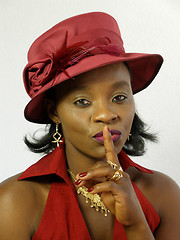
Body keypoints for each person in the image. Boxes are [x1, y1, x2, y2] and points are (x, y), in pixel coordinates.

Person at [0, 12, 179, 240]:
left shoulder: (164, 193)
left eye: (119, 97)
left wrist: (137, 226)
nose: (107, 114)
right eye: (82, 101)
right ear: (54, 111)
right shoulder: (14, 202)